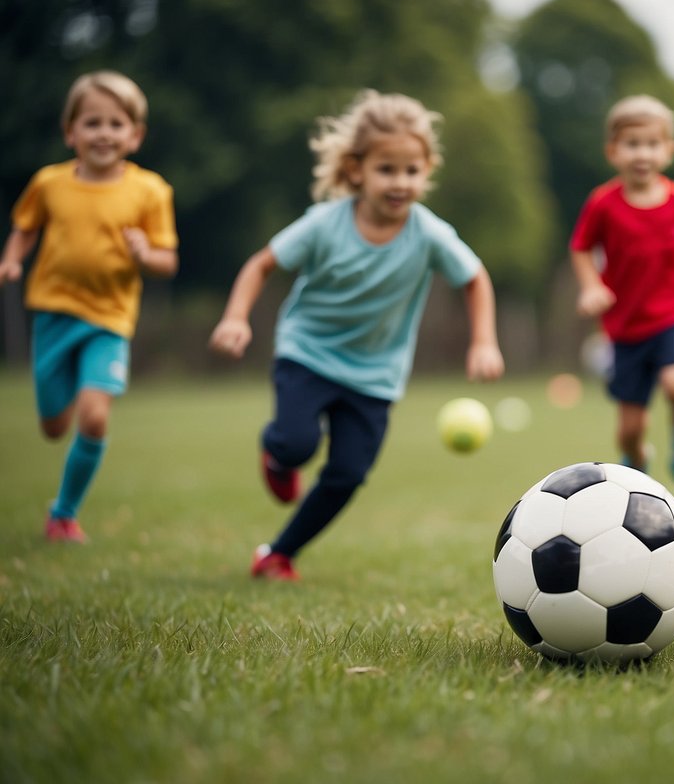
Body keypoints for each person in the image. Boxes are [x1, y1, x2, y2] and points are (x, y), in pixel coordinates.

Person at [209, 90, 504, 581]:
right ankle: (277, 452)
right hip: (308, 352)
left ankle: (279, 553)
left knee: (347, 474)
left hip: (375, 374)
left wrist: (484, 341)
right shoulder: (325, 224)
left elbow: (474, 278)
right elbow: (262, 264)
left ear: (426, 171)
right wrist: (236, 317)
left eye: (412, 171)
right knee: (298, 443)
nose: (400, 182)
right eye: (386, 169)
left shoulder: (428, 233)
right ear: (356, 171)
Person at [0, 70, 178, 543]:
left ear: (135, 135)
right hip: (54, 314)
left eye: (116, 124)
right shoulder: (49, 184)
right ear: (70, 132)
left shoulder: (150, 192)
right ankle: (63, 411)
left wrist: (146, 255)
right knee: (54, 427)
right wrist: (12, 261)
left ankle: (63, 514)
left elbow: (167, 260)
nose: (104, 133)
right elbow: (25, 227)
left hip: (110, 319)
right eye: (92, 122)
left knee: (94, 417)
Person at [570, 95, 674, 489]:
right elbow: (579, 247)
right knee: (629, 428)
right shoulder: (603, 204)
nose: (641, 153)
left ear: (668, 150)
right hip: (625, 329)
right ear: (613, 151)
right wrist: (591, 286)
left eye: (651, 144)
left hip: (672, 317)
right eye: (632, 144)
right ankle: (638, 457)